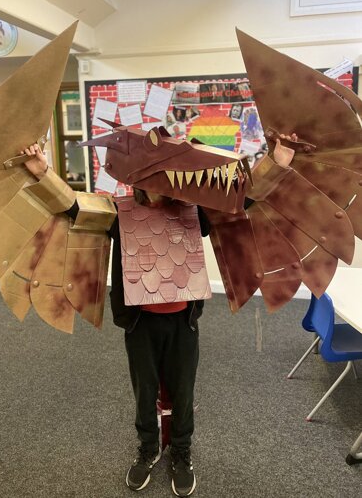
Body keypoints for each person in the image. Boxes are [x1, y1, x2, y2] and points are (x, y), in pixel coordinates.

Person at [21, 134, 297, 496]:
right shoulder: (119, 214)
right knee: (145, 391)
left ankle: (181, 452)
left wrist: (277, 162)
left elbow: (239, 200)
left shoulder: (194, 211)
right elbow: (75, 207)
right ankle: (148, 448)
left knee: (183, 391)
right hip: (141, 323)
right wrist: (43, 172)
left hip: (183, 322)